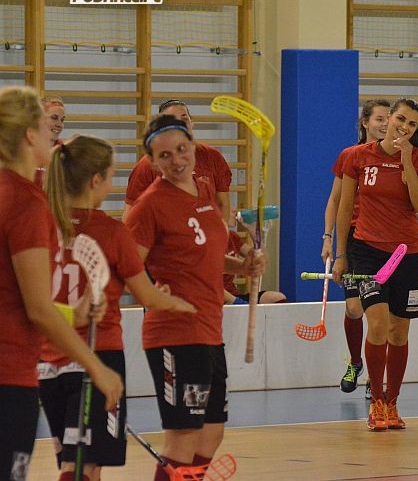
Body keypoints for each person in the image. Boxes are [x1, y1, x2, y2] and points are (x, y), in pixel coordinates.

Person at [41, 134, 196, 480]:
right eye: (111, 176)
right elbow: (147, 297)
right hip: (98, 357)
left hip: (47, 364)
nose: (113, 184)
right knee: (80, 467)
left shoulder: (42, 227)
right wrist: (177, 302)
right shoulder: (111, 231)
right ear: (96, 181)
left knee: (82, 464)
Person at [125, 114, 264, 480]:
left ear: (192, 146)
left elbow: (210, 251)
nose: (176, 160)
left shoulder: (203, 191)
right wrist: (152, 294)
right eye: (164, 155)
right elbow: (126, 266)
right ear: (152, 162)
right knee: (183, 439)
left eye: (181, 149)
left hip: (209, 331)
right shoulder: (149, 206)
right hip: (175, 334)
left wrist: (243, 266)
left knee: (211, 433)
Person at [0, 86, 123, 480]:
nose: (53, 135)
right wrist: (96, 368)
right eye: (44, 125)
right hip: (9, 374)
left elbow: (16, 298)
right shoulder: (25, 202)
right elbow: (37, 308)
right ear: (29, 135)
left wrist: (74, 313)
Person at [332, 97, 418, 431]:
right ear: (388, 118)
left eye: (411, 124)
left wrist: (406, 163)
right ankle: (376, 400)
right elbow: (344, 207)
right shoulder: (357, 157)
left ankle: (393, 403)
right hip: (368, 252)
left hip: (406, 254)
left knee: (399, 331)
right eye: (400, 119)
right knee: (376, 325)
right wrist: (341, 254)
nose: (404, 127)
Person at [322, 99, 390, 397]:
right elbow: (335, 201)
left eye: (389, 119)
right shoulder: (351, 156)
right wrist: (329, 238)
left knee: (381, 314)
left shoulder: (399, 158)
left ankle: (376, 377)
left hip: (385, 240)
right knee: (354, 308)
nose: (385, 124)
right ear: (365, 123)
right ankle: (355, 362)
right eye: (379, 119)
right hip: (353, 239)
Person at [121, 99, 232, 222]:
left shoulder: (210, 164)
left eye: (184, 119)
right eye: (173, 122)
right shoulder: (146, 170)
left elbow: (223, 205)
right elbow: (129, 217)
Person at [224, 226, 286, 305]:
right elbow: (212, 287)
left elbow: (262, 258)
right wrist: (239, 303)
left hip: (233, 295)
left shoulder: (231, 236)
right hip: (218, 298)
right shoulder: (210, 240)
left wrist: (253, 231)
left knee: (277, 298)